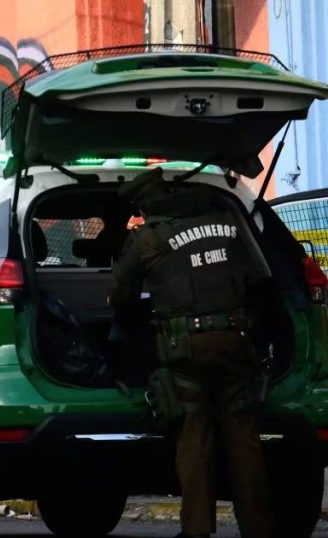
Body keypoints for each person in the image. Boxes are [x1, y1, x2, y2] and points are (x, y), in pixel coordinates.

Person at [108, 167, 271, 538]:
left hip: (187, 352)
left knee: (194, 439)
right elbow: (260, 279)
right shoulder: (228, 221)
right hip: (237, 342)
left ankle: (196, 530)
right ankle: (258, 528)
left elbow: (119, 297)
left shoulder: (147, 239)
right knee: (244, 438)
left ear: (144, 205)